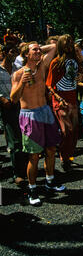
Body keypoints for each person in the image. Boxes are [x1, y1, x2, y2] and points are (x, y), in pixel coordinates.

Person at [10, 41, 65, 206]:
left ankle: (50, 181)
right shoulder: (18, 74)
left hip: (45, 112)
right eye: (34, 50)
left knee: (51, 149)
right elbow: (13, 98)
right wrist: (22, 82)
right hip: (29, 115)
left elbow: (55, 47)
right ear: (26, 54)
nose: (38, 52)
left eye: (38, 50)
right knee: (34, 156)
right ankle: (32, 189)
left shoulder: (41, 68)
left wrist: (36, 46)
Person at [46, 34, 80, 172]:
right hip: (60, 99)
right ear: (60, 45)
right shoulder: (55, 62)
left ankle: (67, 157)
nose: (69, 45)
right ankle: (62, 156)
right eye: (66, 43)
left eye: (70, 43)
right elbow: (49, 84)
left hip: (73, 98)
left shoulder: (74, 60)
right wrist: (58, 98)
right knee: (67, 130)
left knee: (75, 130)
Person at [0, 43, 28, 185]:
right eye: (11, 51)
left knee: (25, 139)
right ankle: (17, 174)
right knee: (15, 141)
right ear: (4, 53)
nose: (14, 54)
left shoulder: (18, 69)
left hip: (21, 105)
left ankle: (26, 170)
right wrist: (2, 99)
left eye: (15, 52)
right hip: (7, 108)